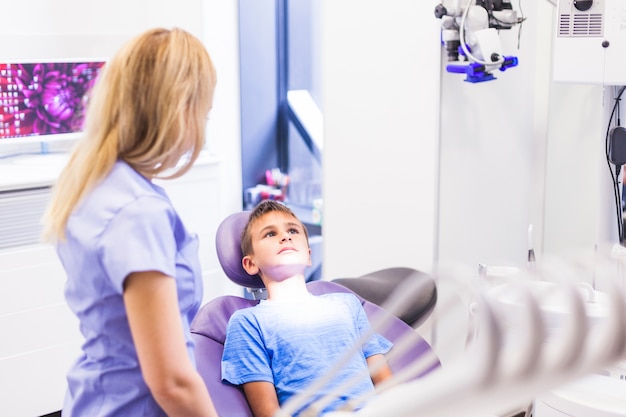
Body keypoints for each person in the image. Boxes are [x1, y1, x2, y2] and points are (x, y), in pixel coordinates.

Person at [42, 27, 219, 417]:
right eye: (203, 111)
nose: (203, 125)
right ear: (177, 106)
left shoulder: (95, 182)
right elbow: (171, 381)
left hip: (94, 399)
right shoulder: (139, 211)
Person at [221, 200, 394, 417]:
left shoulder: (347, 304)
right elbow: (268, 413)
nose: (285, 237)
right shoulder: (248, 322)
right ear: (250, 264)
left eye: (292, 230)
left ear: (309, 255)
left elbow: (386, 384)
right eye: (270, 234)